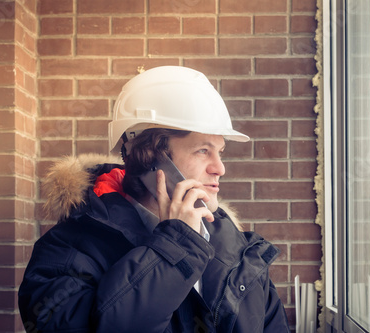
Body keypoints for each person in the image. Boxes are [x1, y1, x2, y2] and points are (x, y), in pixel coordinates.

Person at [18, 66, 291, 332]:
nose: (220, 168)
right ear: (150, 159)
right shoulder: (67, 251)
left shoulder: (239, 250)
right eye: (202, 151)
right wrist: (176, 244)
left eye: (220, 151)